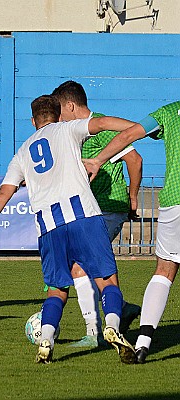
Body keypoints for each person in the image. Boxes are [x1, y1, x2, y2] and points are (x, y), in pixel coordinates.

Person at [0, 94, 136, 364]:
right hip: (83, 217)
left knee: (57, 289)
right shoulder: (68, 129)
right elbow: (101, 123)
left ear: (32, 121)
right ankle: (112, 326)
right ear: (58, 115)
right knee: (107, 280)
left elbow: (4, 191)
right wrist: (136, 127)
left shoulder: (22, 153)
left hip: (49, 227)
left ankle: (46, 338)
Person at [83, 100, 180, 364]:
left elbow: (128, 135)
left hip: (175, 200)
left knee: (164, 270)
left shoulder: (170, 112)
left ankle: (144, 343)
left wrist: (99, 159)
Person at [51, 81, 143, 347]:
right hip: (90, 209)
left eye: (60, 110)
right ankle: (122, 309)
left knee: (79, 265)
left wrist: (133, 197)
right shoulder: (74, 132)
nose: (58, 116)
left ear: (70, 105)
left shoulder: (101, 127)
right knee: (88, 265)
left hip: (108, 208)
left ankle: (94, 334)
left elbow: (135, 160)